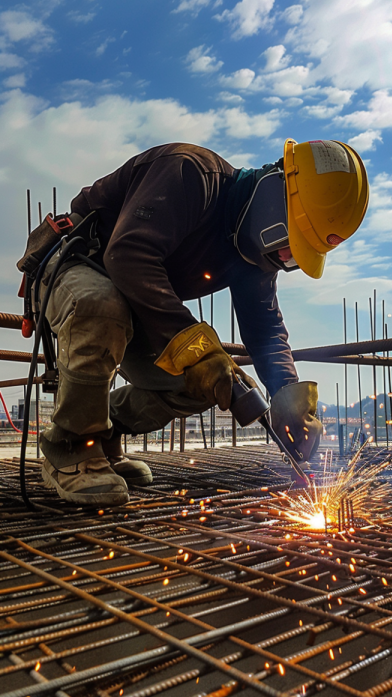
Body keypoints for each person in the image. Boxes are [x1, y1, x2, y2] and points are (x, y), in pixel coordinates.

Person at [18, 138, 369, 506]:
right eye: (288, 239)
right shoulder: (190, 172)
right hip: (75, 265)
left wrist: (288, 395)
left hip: (136, 303)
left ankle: (102, 437)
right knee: (103, 305)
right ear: (273, 193)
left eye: (295, 256)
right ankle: (71, 448)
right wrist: (197, 349)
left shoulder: (255, 256)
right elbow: (127, 255)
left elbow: (265, 330)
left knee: (219, 382)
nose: (283, 256)